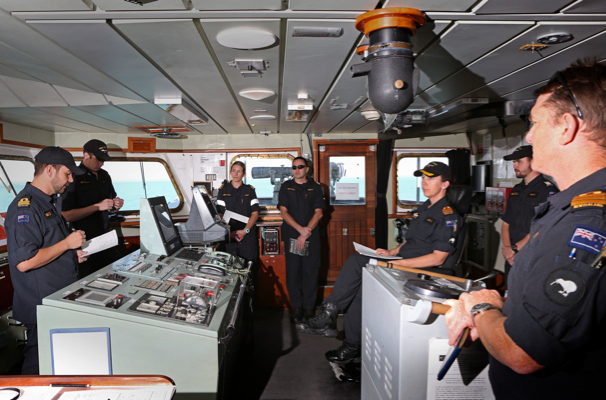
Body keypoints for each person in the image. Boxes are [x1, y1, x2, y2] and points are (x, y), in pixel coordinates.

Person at [444, 59, 606, 399]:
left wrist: (482, 307)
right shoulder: (574, 207)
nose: (529, 136)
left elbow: (524, 353)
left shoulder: (588, 222)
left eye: (533, 124)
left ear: (567, 126)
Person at [297, 162, 461, 364]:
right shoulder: (424, 209)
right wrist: (390, 253)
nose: (424, 183)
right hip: (402, 262)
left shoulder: (447, 216)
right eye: (423, 178)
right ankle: (351, 345)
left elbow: (439, 257)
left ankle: (329, 313)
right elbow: (410, 243)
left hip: (421, 272)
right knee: (358, 291)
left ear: (445, 184)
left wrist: (397, 264)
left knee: (357, 261)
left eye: (431, 178)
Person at [6, 146, 88, 375]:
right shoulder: (27, 208)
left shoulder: (47, 203)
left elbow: (47, 246)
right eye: (67, 174)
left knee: (57, 365)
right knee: (39, 367)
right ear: (50, 170)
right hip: (42, 306)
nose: (70, 180)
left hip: (57, 299)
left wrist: (71, 254)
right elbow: (25, 262)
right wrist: (67, 244)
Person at [62, 139, 124, 277]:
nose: (101, 163)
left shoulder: (104, 175)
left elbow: (109, 206)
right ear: (86, 155)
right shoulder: (73, 178)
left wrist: (115, 206)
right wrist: (96, 207)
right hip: (84, 243)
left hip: (105, 239)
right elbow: (65, 215)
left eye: (104, 160)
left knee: (116, 276)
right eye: (98, 159)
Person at [500, 145, 558, 284]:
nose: (515, 165)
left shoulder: (548, 191)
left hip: (532, 255)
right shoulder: (516, 190)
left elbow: (542, 227)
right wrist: (508, 251)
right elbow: (506, 222)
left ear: (533, 161)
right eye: (514, 162)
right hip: (512, 256)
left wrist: (514, 249)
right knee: (510, 294)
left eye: (519, 161)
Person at [278, 157, 326, 323]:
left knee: (310, 273)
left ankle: (309, 309)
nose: (296, 170)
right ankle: (297, 308)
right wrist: (300, 231)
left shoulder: (316, 188)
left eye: (300, 167)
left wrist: (306, 233)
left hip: (310, 239)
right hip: (294, 237)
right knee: (294, 273)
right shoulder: (286, 187)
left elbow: (319, 212)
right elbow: (283, 212)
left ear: (307, 169)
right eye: (294, 167)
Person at [216, 161, 260, 264]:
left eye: (239, 171)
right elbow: (219, 213)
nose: (236, 174)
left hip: (247, 235)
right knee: (230, 266)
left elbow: (255, 213)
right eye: (234, 171)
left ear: (244, 174)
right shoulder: (223, 190)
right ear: (230, 172)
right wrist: (229, 233)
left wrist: (245, 231)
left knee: (249, 266)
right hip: (230, 235)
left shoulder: (250, 190)